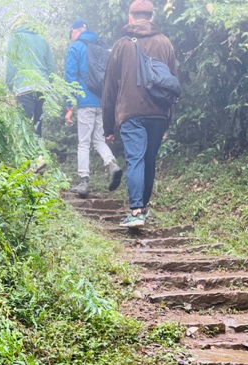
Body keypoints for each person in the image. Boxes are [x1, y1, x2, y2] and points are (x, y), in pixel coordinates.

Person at [103, 0, 177, 227]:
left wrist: (108, 127)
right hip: (158, 113)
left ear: (130, 17)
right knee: (148, 160)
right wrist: (167, 122)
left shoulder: (122, 45)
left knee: (135, 159)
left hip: (130, 112)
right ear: (152, 17)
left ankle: (135, 212)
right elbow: (173, 85)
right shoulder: (166, 43)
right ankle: (142, 208)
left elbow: (109, 88)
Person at [64, 18, 122, 198]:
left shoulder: (76, 47)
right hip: (103, 102)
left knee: (84, 142)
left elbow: (70, 78)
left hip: (85, 102)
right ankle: (112, 164)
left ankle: (83, 181)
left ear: (75, 31)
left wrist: (70, 106)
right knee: (99, 140)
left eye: (71, 34)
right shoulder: (102, 46)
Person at [6, 21, 55, 137]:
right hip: (42, 87)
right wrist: (48, 83)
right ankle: (39, 152)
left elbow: (10, 65)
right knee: (38, 122)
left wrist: (9, 86)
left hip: (24, 87)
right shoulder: (43, 40)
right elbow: (51, 67)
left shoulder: (15, 38)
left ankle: (25, 153)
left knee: (24, 125)